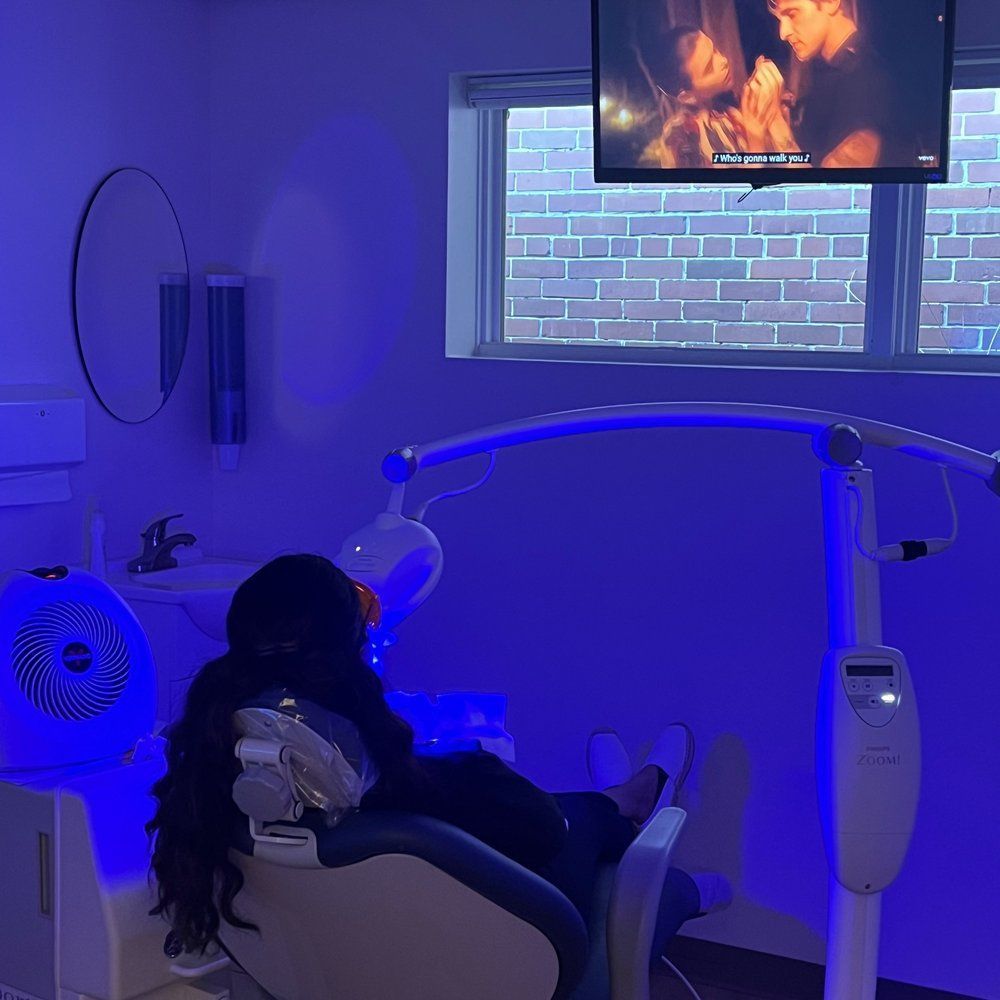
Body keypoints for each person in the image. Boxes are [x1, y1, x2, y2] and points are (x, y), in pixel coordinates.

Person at [147, 554, 727, 958]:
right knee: (582, 826)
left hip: (356, 962)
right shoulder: (431, 790)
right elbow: (547, 834)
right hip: (524, 948)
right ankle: (636, 807)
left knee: (545, 805)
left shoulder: (218, 773)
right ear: (350, 644)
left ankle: (619, 798)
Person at [755, 0, 891, 168]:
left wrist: (773, 119)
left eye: (792, 14)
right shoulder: (826, 68)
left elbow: (824, 191)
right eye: (779, 19)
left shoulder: (866, 79)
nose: (783, 33)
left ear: (830, 2)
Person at [646, 26, 789, 168]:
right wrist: (755, 139)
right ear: (687, 97)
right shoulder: (680, 137)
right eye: (709, 68)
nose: (723, 61)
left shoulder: (728, 109)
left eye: (714, 50)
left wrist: (771, 108)